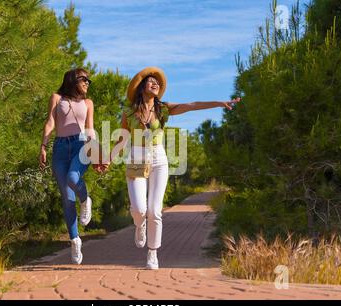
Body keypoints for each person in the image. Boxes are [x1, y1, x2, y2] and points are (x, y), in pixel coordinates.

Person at [104, 66, 240, 269]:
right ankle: (139, 224)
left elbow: (192, 105)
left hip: (159, 158)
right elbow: (122, 140)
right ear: (142, 87)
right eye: (150, 81)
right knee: (139, 209)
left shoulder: (163, 108)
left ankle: (153, 253)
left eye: (157, 81)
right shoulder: (129, 111)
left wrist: (219, 103)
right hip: (136, 157)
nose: (155, 83)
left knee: (154, 210)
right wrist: (108, 159)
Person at [39, 68, 103, 265]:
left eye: (88, 81)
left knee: (73, 178)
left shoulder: (87, 103)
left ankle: (85, 199)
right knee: (67, 198)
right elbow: (50, 123)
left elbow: (90, 129)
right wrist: (43, 146)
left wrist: (98, 154)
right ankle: (75, 239)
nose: (87, 83)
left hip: (80, 145)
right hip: (59, 148)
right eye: (84, 79)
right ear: (73, 79)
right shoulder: (57, 98)